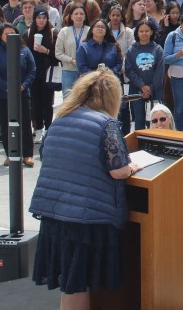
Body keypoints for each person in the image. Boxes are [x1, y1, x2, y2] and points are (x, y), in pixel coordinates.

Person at [29, 70, 141, 308]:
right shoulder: (106, 124)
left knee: (70, 285)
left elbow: (46, 155)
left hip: (54, 213)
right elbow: (118, 170)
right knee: (77, 286)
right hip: (84, 219)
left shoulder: (61, 118)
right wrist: (131, 166)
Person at [0, 23, 35, 167]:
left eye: (12, 33)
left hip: (22, 93)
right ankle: (11, 154)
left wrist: (24, 85)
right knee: (5, 125)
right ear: (1, 36)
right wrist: (7, 87)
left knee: (25, 124)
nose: (9, 36)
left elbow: (32, 69)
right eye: (6, 34)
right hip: (1, 95)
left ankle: (27, 155)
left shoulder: (24, 50)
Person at [122, 21, 165, 132]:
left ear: (151, 32)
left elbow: (159, 71)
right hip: (137, 90)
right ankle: (140, 141)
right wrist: (142, 86)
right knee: (139, 119)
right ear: (137, 33)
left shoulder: (158, 49)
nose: (144, 33)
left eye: (147, 31)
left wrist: (151, 88)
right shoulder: (131, 50)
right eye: (141, 31)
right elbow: (129, 70)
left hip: (155, 90)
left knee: (155, 119)